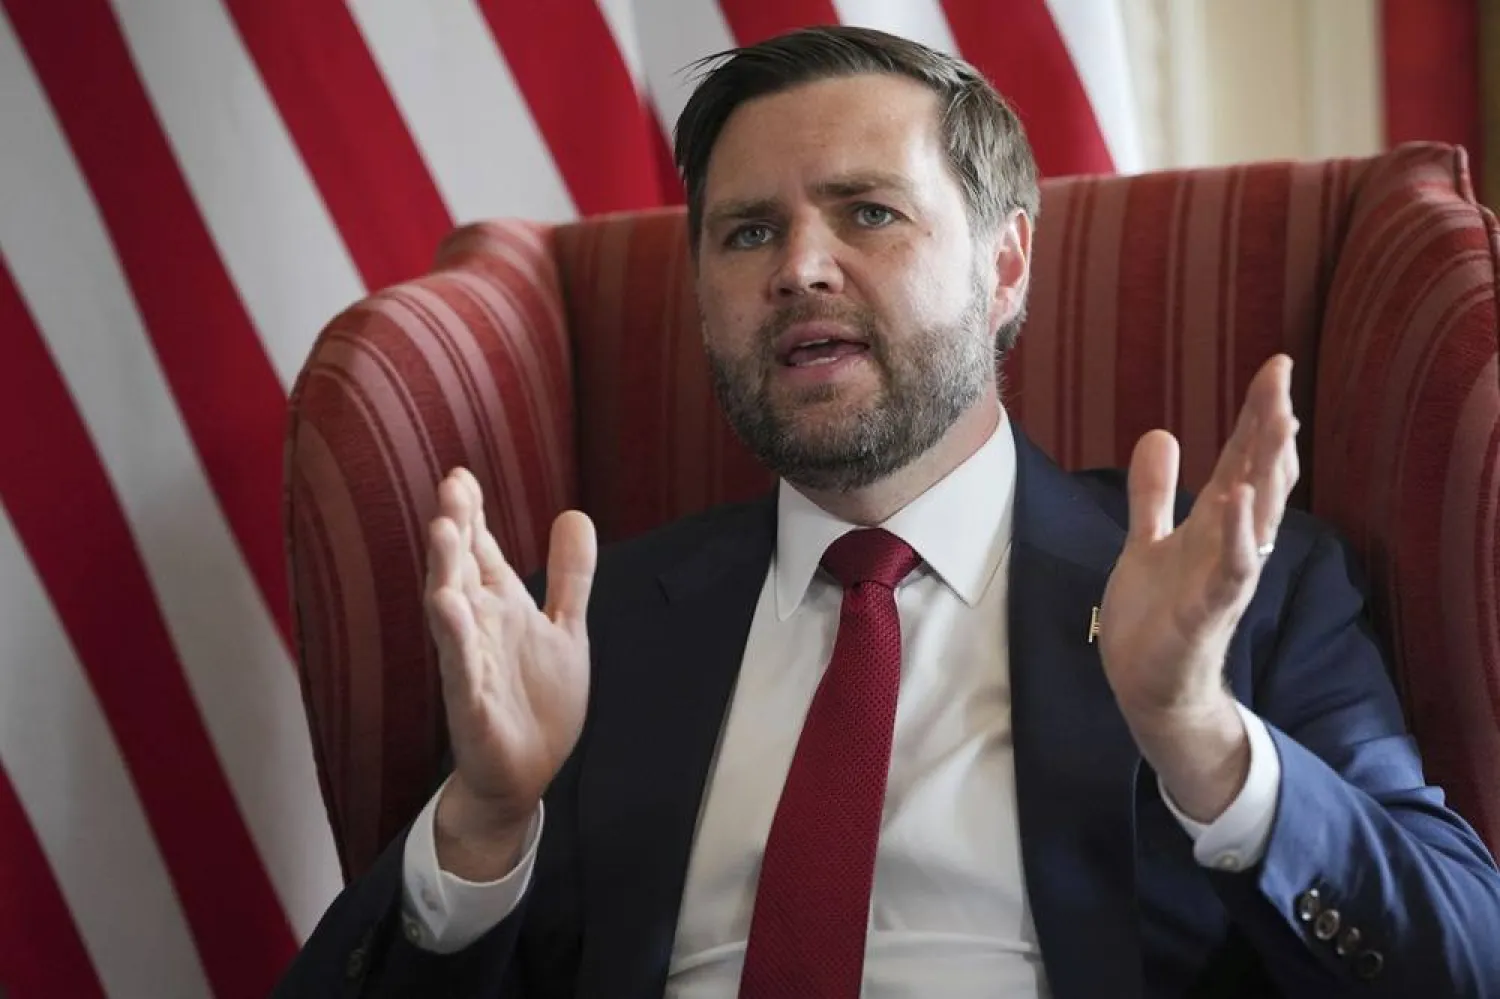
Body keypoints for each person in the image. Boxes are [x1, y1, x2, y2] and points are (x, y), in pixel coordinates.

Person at [274, 25, 1500, 999]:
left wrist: (1201, 737)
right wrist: (485, 822)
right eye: (749, 232)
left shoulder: (1243, 587)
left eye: (868, 211)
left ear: (1005, 265)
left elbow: (1463, 960)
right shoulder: (592, 635)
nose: (798, 266)